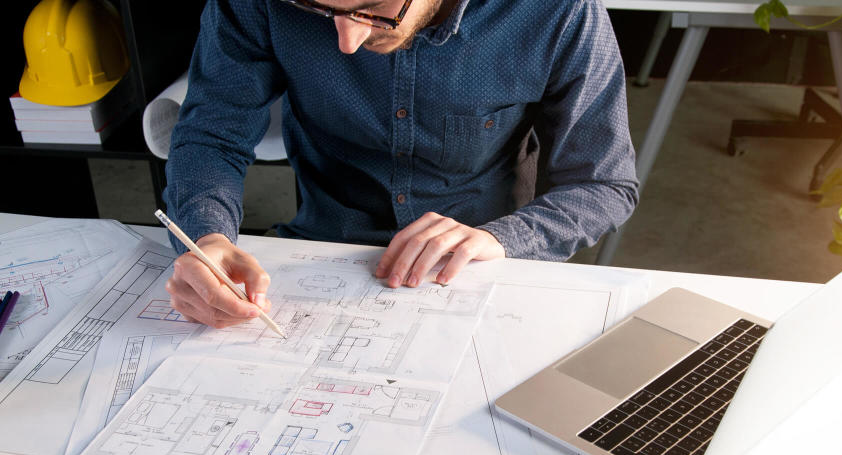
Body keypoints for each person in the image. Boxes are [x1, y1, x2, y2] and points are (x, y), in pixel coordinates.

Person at [163, 0, 639, 328]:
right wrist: (207, 237)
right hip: (321, 252)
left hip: (480, 269)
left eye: (373, 9)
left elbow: (603, 184)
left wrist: (503, 237)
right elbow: (211, 133)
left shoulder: (555, 12)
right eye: (319, 9)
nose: (347, 40)